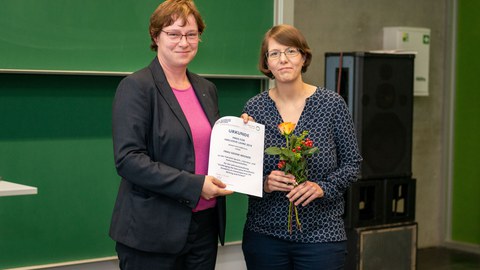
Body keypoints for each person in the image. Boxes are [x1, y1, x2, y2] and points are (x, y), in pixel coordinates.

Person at [109, 1, 233, 269]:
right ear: (156, 36)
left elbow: (211, 147)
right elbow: (128, 160)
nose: (184, 42)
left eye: (191, 34)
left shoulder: (206, 89)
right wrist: (195, 185)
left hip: (203, 227)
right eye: (174, 34)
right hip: (152, 232)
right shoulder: (136, 87)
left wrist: (240, 133)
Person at [240, 24, 362, 270]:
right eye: (274, 53)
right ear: (267, 63)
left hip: (322, 237)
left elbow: (353, 164)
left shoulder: (332, 105)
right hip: (264, 236)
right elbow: (241, 172)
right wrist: (263, 182)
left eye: (291, 51)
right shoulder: (254, 109)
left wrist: (322, 187)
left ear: (304, 56)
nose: (283, 59)